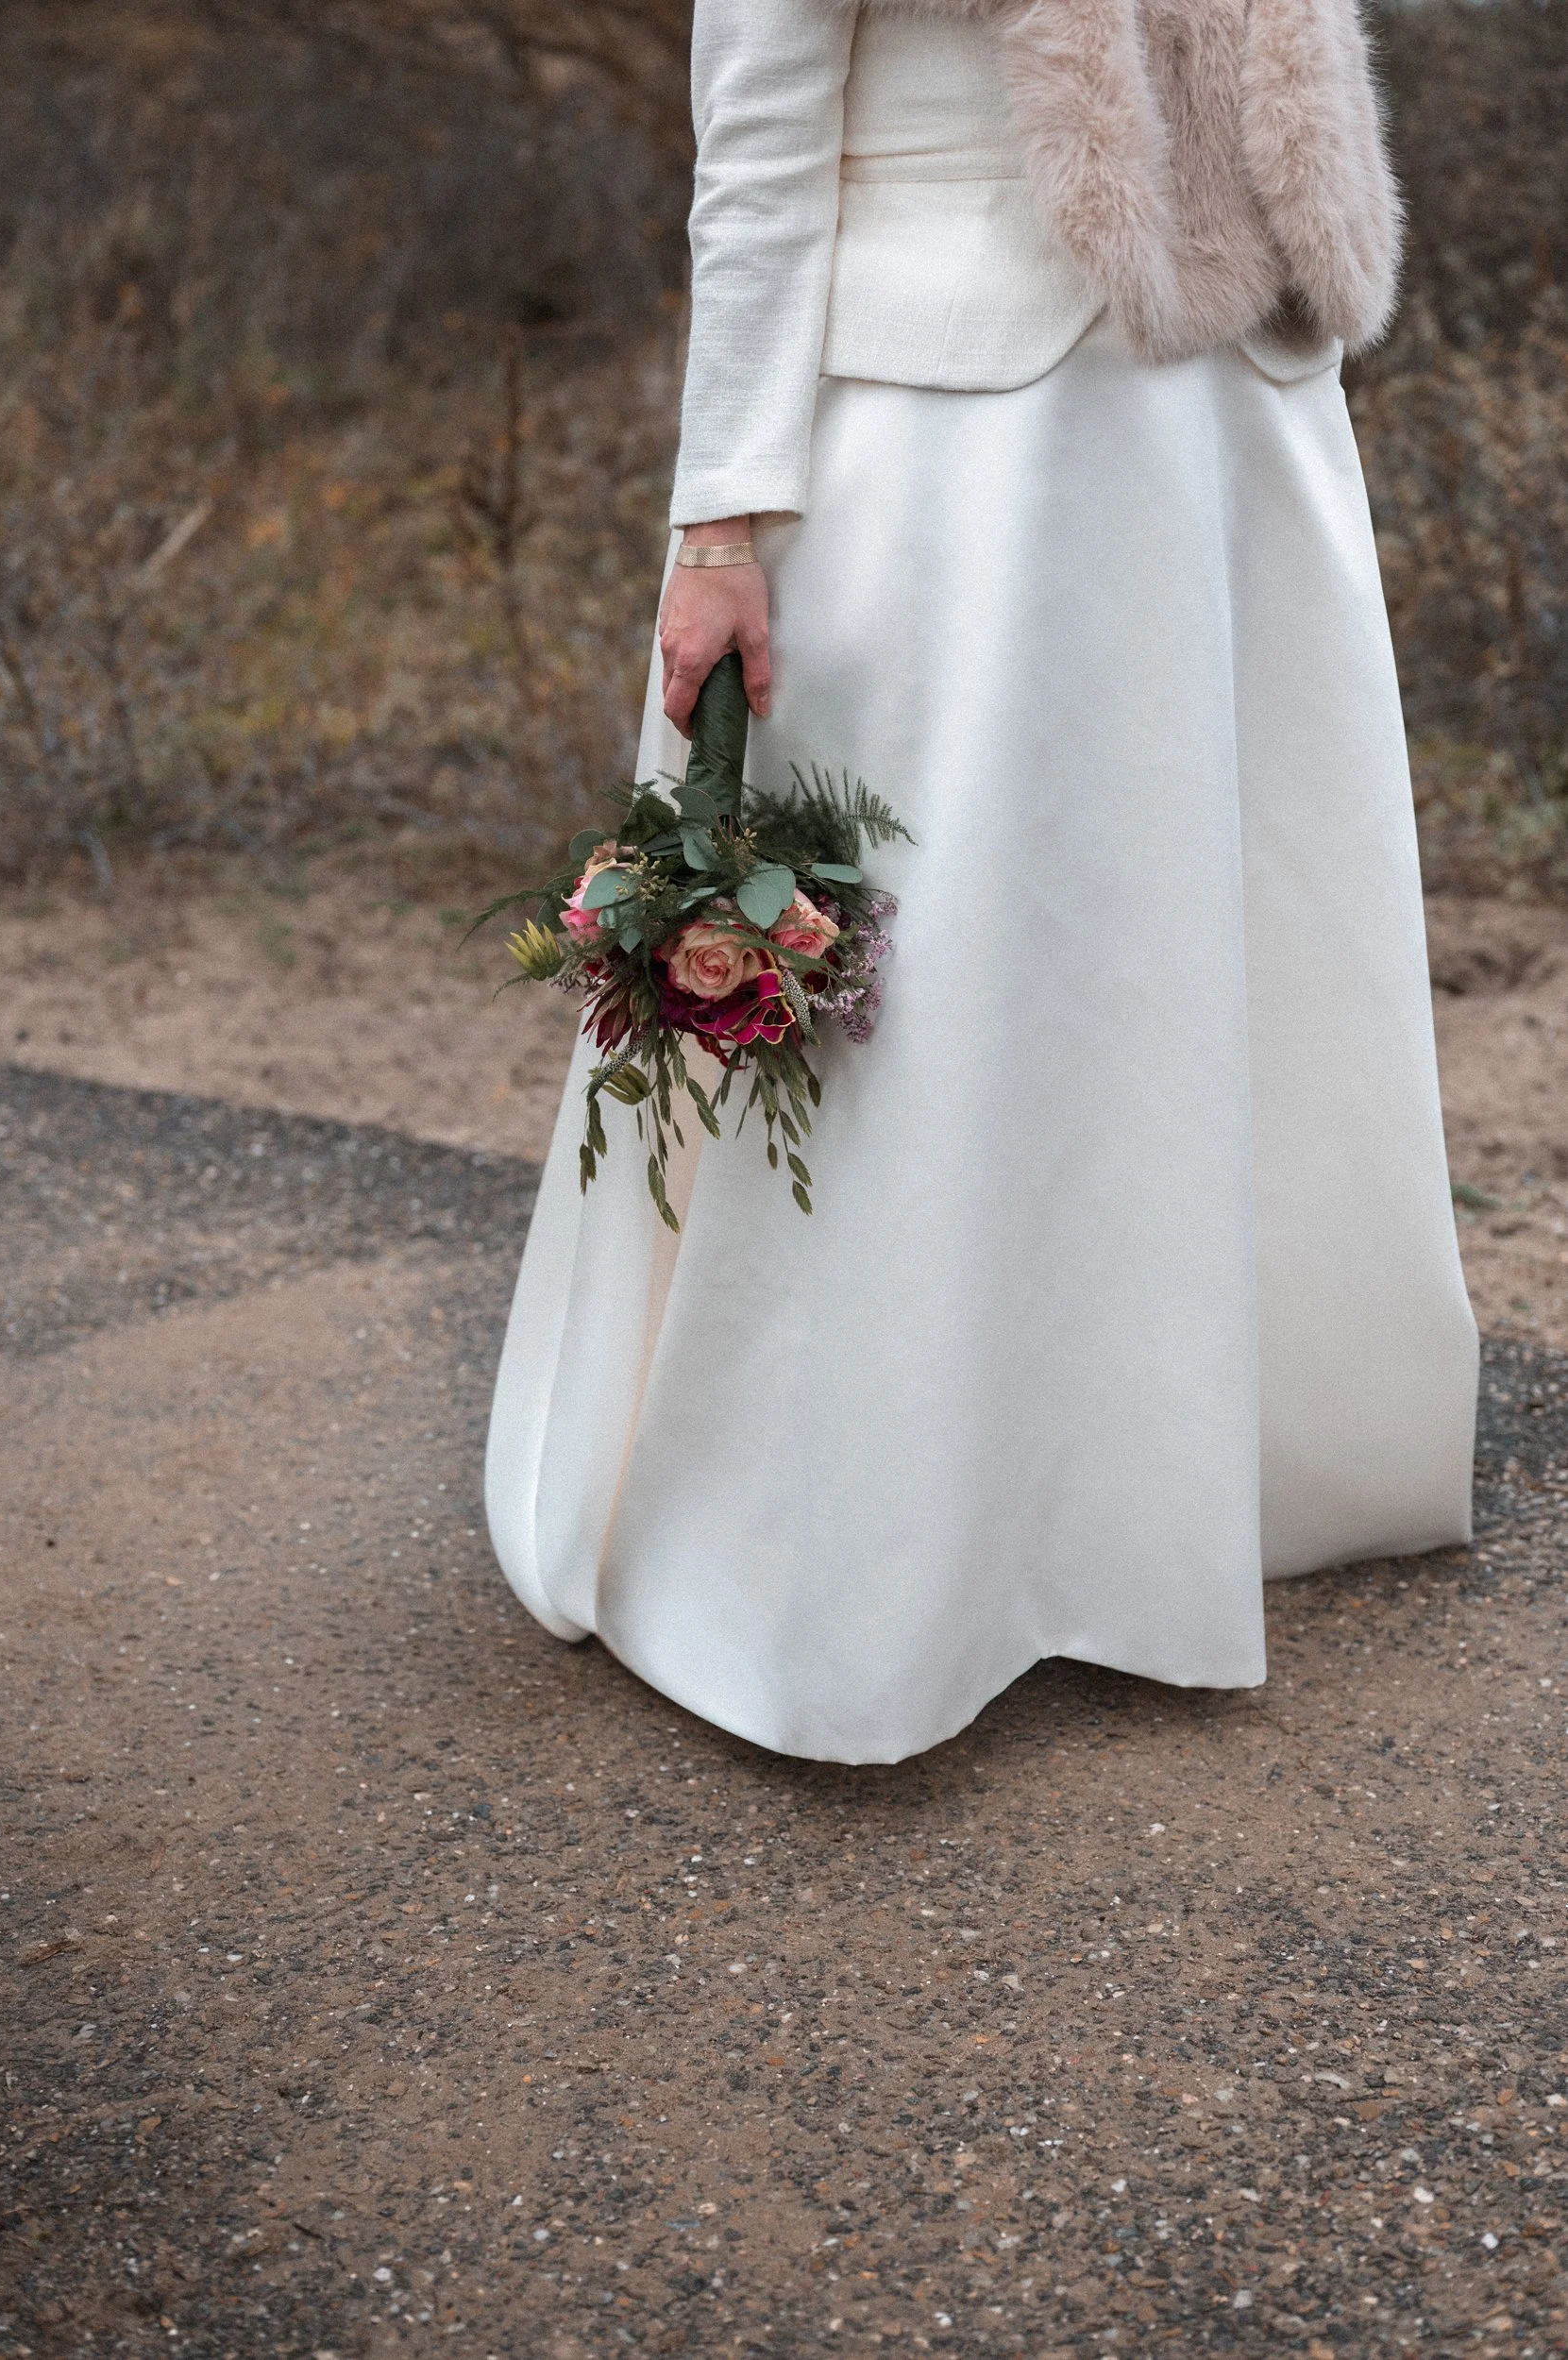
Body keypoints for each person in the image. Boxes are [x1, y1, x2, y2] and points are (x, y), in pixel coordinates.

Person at [484, 0, 1478, 1764]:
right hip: (949, 470)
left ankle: (1177, 1492)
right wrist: (717, 524)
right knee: (937, 1004)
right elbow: (762, 150)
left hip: (1227, 435)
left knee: (1214, 971)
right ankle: (874, 1551)